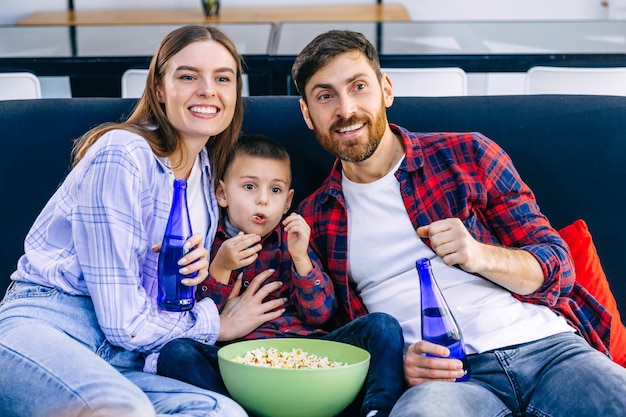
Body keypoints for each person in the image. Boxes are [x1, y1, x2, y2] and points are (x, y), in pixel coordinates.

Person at [290, 29, 626, 417]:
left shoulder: (467, 154)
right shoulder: (314, 218)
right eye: (325, 96)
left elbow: (558, 268)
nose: (345, 109)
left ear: (386, 90)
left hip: (548, 350)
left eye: (359, 86)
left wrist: (480, 255)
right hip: (447, 382)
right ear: (307, 113)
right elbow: (325, 335)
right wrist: (397, 361)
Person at [0, 24, 282, 417]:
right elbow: (124, 323)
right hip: (50, 327)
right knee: (125, 409)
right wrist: (214, 324)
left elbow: (153, 309)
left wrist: (198, 277)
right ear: (160, 89)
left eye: (223, 78)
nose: (208, 90)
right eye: (188, 76)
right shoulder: (123, 154)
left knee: (222, 413)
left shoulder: (204, 176)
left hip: (122, 359)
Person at [157, 134, 405, 417]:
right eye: (249, 187)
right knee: (176, 352)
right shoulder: (210, 242)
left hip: (308, 356)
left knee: (382, 326)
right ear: (222, 193)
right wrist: (221, 268)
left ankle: (377, 410)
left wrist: (301, 260)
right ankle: (236, 412)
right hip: (243, 365)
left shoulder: (293, 241)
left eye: (275, 191)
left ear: (288, 202)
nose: (262, 200)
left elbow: (320, 314)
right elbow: (198, 323)